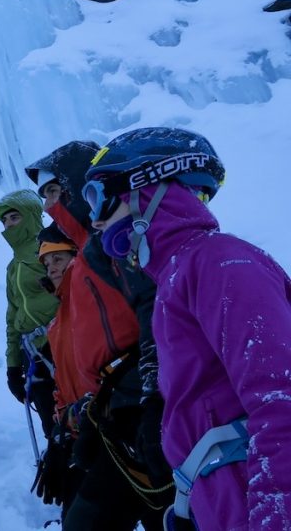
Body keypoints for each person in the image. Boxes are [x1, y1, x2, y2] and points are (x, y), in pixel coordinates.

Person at [83, 126, 291, 531]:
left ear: (145, 188)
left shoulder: (219, 261)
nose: (95, 221)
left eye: (98, 199)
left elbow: (282, 399)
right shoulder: (175, 278)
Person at [26, 141, 168, 531]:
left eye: (53, 192)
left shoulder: (113, 246)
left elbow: (154, 310)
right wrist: (64, 430)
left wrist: (149, 396)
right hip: (112, 419)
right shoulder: (83, 270)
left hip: (145, 413)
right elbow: (77, 364)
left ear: (74, 188)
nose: (47, 204)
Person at [0, 190, 60, 440]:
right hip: (36, 356)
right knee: (53, 429)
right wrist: (13, 366)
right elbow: (13, 318)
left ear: (31, 216)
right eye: (5, 221)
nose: (8, 225)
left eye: (14, 218)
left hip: (63, 347)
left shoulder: (52, 250)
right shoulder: (13, 268)